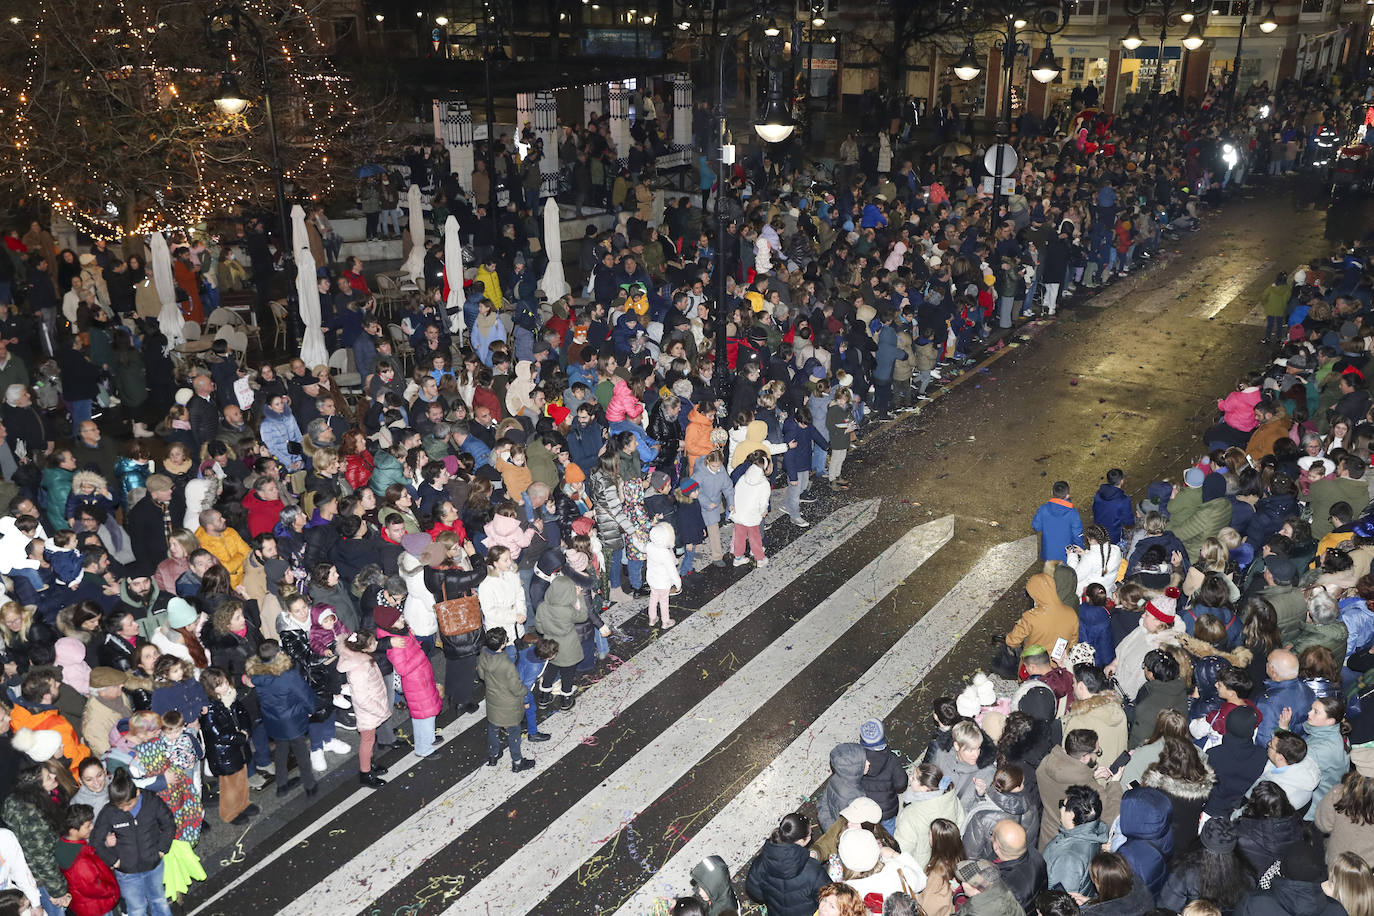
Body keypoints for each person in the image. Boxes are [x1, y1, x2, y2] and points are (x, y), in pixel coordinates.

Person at [92, 768, 174, 916]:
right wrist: (114, 861)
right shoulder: (109, 811)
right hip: (127, 874)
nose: (124, 809)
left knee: (159, 901)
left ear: (137, 793)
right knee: (136, 909)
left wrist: (162, 849)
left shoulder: (152, 802)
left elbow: (169, 825)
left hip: (154, 866)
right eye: (120, 806)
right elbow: (96, 840)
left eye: (128, 804)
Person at [745, 813, 830, 916]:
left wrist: (771, 899)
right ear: (800, 841)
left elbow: (753, 890)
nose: (810, 836)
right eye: (809, 835)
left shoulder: (761, 861)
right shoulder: (813, 869)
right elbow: (828, 897)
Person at [476, 627, 535, 773]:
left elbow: (482, 675)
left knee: (493, 729)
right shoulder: (506, 664)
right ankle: (517, 762)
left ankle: (493, 755)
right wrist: (525, 690)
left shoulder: (483, 653)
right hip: (509, 704)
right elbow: (516, 688)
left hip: (493, 700)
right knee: (514, 732)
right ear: (502, 644)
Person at [1043, 784, 1107, 897]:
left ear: (1071, 815)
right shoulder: (1094, 832)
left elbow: (1059, 904)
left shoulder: (1068, 860)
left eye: (1062, 805)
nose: (1061, 809)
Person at [1032, 481, 1083, 562]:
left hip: (1048, 553)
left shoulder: (1043, 509)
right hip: (1066, 555)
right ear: (1067, 495)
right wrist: (1080, 550)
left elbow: (1036, 527)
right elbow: (1077, 535)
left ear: (1052, 492)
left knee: (1049, 573)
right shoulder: (1073, 513)